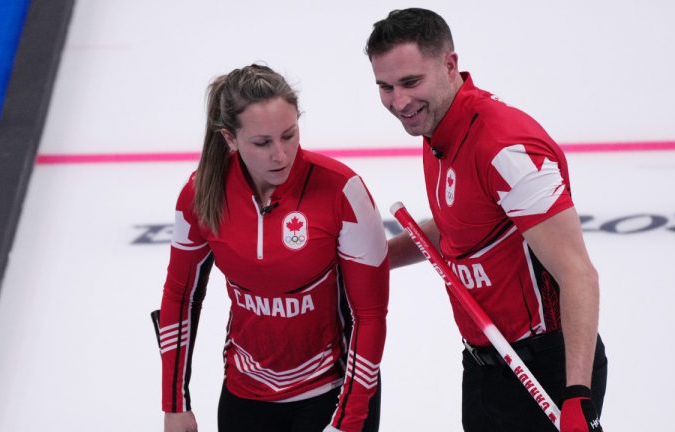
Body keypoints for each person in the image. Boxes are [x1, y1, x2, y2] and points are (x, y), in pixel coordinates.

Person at [365, 8, 607, 432]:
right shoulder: (437, 127)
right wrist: (370, 260)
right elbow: (459, 226)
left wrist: (577, 397)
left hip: (546, 371)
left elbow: (577, 274)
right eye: (385, 87)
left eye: (410, 82)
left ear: (450, 64)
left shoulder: (506, 148)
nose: (399, 102)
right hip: (484, 365)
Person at [153, 64, 389, 432]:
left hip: (332, 394)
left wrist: (350, 417)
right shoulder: (200, 194)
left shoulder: (342, 190)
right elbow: (180, 296)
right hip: (245, 398)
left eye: (289, 135)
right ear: (230, 139)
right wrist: (174, 404)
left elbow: (370, 315)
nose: (281, 155)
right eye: (262, 143)